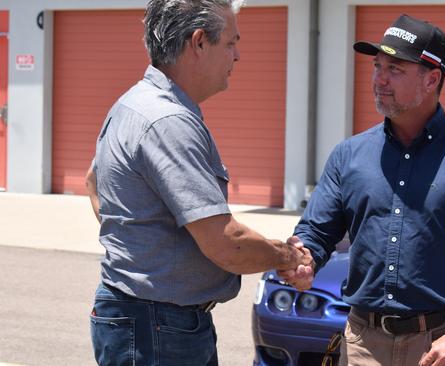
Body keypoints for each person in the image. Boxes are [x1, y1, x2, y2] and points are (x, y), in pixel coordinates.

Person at [280, 14, 445, 366]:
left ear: (432, 79)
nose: (379, 80)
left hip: (441, 348)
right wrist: (305, 260)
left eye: (395, 69)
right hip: (362, 346)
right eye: (377, 66)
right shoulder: (349, 155)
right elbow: (317, 231)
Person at [84, 1, 312, 365]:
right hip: (158, 327)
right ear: (199, 42)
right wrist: (287, 256)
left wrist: (142, 243)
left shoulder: (134, 105)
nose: (237, 56)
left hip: (146, 318)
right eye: (231, 43)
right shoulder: (167, 120)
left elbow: (95, 185)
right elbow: (227, 244)